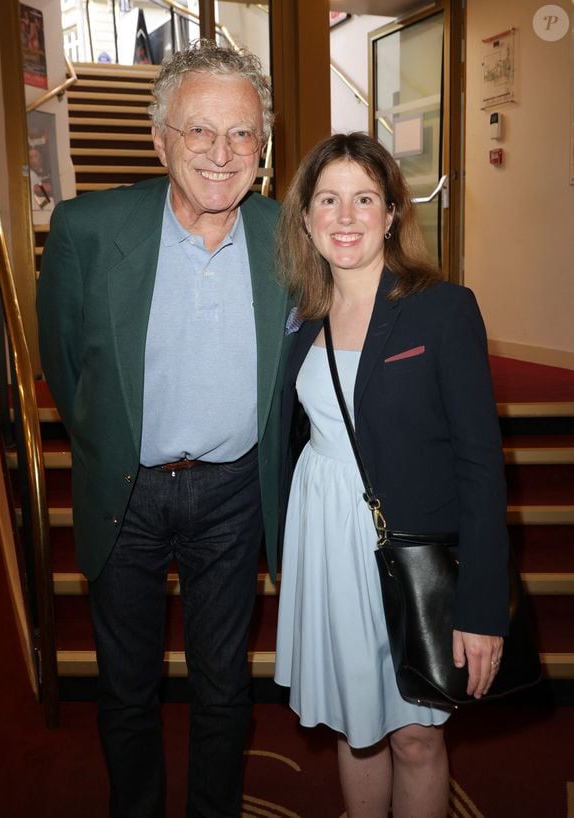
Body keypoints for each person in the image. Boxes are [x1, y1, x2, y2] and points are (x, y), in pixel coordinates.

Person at [37, 40, 292, 818]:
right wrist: (112, 444)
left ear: (264, 146)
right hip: (128, 490)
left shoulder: (291, 235)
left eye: (242, 133)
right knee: (125, 687)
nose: (222, 154)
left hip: (233, 494)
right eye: (200, 132)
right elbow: (64, 361)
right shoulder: (87, 229)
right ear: (160, 139)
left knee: (223, 687)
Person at [274, 132, 509, 818]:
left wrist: (481, 607)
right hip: (327, 548)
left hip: (406, 554)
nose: (346, 217)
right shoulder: (298, 319)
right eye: (329, 199)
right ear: (307, 218)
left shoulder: (441, 308)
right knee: (357, 726)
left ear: (392, 214)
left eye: (364, 199)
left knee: (413, 738)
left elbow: (480, 464)